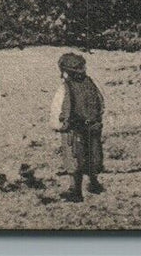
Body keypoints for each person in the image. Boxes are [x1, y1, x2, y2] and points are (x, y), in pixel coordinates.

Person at [50, 52, 105, 202]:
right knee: (92, 156)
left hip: (74, 129)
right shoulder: (91, 83)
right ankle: (94, 183)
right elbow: (100, 102)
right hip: (92, 126)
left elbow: (60, 108)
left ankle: (75, 191)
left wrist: (59, 125)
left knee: (74, 158)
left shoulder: (66, 88)